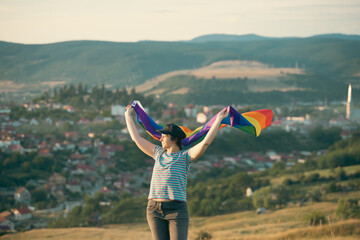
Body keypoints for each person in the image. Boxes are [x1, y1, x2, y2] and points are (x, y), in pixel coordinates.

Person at [125, 105, 229, 240]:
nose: (160, 138)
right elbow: (136, 139)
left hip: (177, 210)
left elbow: (205, 143)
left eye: (164, 136)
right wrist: (128, 116)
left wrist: (218, 120)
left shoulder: (186, 156)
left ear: (174, 139)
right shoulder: (158, 153)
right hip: (154, 209)